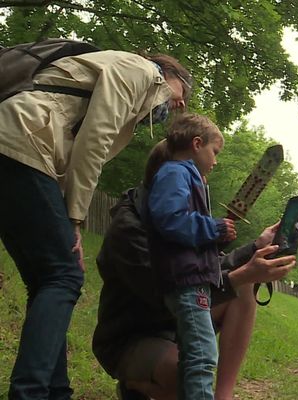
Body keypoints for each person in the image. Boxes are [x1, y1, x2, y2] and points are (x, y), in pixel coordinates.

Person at [0, 48, 192, 399]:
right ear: (169, 73)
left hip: (19, 144)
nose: (180, 105)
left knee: (48, 279)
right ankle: (29, 393)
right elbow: (95, 137)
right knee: (64, 275)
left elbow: (69, 145)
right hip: (22, 142)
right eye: (183, 92)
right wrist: (75, 217)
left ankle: (56, 392)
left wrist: (61, 213)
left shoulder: (131, 80)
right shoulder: (142, 71)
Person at [93, 147, 296, 400]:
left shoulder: (176, 221)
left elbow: (206, 268)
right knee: (185, 376)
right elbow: (170, 294)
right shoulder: (129, 230)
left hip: (174, 325)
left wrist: (256, 247)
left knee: (243, 287)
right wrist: (242, 275)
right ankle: (133, 385)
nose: (200, 189)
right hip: (130, 338)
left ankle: (224, 396)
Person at [145, 113, 237, 399]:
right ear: (197, 143)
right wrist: (214, 227)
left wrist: (216, 238)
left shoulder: (186, 177)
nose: (216, 160)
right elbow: (170, 219)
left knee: (192, 358)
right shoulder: (176, 173)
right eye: (214, 152)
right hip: (187, 282)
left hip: (191, 280)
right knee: (203, 358)